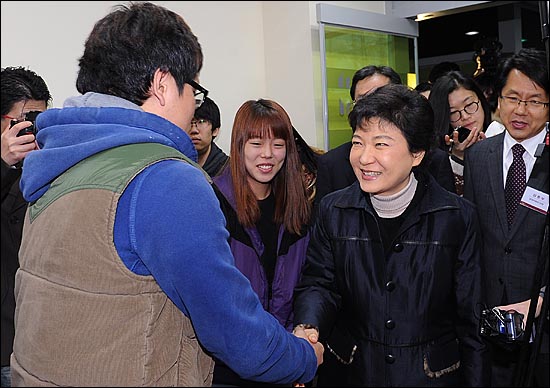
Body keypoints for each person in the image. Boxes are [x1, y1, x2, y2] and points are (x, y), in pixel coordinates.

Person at [10, 3, 323, 387]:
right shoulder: (166, 179)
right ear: (162, 84)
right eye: (193, 87)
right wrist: (303, 357)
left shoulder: (56, 163)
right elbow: (234, 330)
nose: (194, 104)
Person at [293, 83, 490, 387]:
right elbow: (319, 282)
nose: (364, 157)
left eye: (381, 144)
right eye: (358, 142)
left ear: (417, 153)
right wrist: (309, 323)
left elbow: (471, 321)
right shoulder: (334, 209)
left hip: (430, 377)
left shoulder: (456, 217)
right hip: (353, 372)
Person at [211, 99, 312, 386]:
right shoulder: (215, 204)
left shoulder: (298, 207)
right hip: (228, 366)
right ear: (239, 146)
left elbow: (308, 281)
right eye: (256, 143)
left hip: (285, 359)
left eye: (278, 144)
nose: (267, 154)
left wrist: (298, 342)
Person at [463, 48, 549, 387]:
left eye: (535, 101)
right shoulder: (478, 157)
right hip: (490, 328)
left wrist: (540, 301)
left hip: (543, 329)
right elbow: (471, 240)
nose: (521, 110)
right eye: (512, 97)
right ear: (496, 99)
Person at [315, 65, 455, 209]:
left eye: (381, 144)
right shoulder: (331, 205)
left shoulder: (454, 212)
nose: (365, 159)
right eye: (363, 100)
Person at [1, 66, 51, 388]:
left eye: (38, 121)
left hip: (34, 338)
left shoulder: (46, 164)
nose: (31, 130)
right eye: (23, 120)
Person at [429, 70, 492, 195]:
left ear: (481, 100)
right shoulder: (437, 158)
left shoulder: (502, 134)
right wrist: (458, 158)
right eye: (453, 112)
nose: (465, 116)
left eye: (469, 105)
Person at [185, 96, 228, 177]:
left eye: (201, 121)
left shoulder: (229, 171)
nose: (194, 130)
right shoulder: (173, 166)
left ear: (215, 130)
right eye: (189, 122)